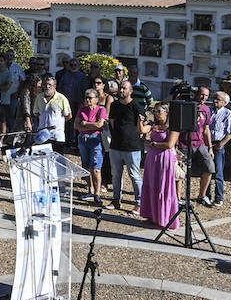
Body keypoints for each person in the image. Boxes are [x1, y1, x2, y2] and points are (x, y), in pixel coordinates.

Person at [139, 104, 179, 227]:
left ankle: (164, 218)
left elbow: (169, 144)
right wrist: (139, 121)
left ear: (166, 112)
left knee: (163, 186)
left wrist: (153, 144)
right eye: (154, 111)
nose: (156, 113)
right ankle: (152, 215)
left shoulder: (173, 127)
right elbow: (142, 130)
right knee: (152, 185)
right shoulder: (153, 125)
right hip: (152, 158)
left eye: (159, 111)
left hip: (165, 158)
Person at [108, 80, 144, 213]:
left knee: (135, 175)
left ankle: (140, 202)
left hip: (132, 147)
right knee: (116, 175)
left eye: (124, 88)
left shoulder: (136, 106)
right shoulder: (114, 105)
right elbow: (112, 122)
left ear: (130, 91)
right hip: (116, 145)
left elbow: (143, 125)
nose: (121, 90)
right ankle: (116, 199)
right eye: (120, 88)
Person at [183, 86, 217, 207]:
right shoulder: (186, 106)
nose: (204, 97)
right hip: (184, 143)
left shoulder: (206, 109)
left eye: (206, 95)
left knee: (209, 168)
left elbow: (206, 129)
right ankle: (178, 198)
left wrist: (210, 147)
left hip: (200, 143)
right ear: (196, 94)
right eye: (202, 94)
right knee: (181, 172)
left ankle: (201, 196)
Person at [75, 89, 108, 204]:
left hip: (96, 140)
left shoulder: (101, 110)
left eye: (90, 98)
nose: (87, 100)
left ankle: (97, 193)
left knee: (96, 168)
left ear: (96, 99)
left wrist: (84, 123)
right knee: (86, 167)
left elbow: (100, 124)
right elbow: (76, 125)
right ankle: (90, 190)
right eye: (86, 97)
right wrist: (91, 126)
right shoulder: (82, 109)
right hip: (83, 139)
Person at [208, 91, 231, 207]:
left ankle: (219, 198)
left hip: (218, 145)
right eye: (214, 98)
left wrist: (221, 144)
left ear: (225, 103)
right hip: (207, 144)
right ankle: (206, 196)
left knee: (218, 172)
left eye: (218, 99)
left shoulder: (228, 113)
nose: (215, 101)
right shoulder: (208, 111)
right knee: (207, 170)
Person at [27, 75, 72, 150]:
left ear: (54, 86)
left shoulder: (62, 98)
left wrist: (57, 123)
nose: (47, 87)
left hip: (57, 136)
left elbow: (69, 116)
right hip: (42, 135)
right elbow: (36, 113)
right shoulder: (39, 97)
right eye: (45, 84)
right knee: (42, 156)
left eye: (50, 85)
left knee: (58, 156)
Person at [56, 58, 87, 146]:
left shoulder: (83, 76)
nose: (73, 67)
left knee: (77, 122)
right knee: (67, 122)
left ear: (78, 66)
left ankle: (76, 142)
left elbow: (84, 90)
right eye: (71, 65)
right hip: (66, 102)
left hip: (78, 103)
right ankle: (67, 141)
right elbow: (60, 88)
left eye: (75, 65)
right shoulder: (65, 76)